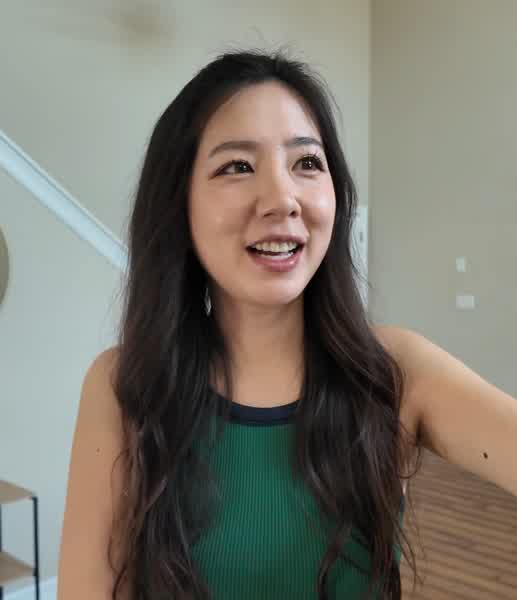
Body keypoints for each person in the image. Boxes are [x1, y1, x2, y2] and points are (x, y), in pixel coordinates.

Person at [57, 49, 517, 600]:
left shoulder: (393, 371)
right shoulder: (123, 385)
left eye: (307, 163)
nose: (282, 200)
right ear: (179, 204)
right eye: (236, 166)